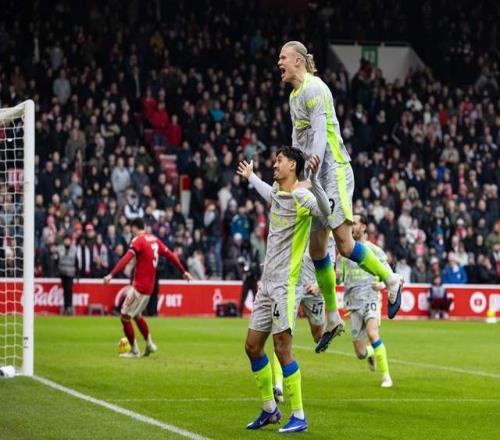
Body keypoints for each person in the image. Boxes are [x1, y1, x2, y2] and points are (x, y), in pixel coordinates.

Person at [278, 41, 403, 353]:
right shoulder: (294, 96)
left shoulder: (315, 88)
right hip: (313, 175)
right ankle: (333, 317)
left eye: (282, 57)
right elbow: (297, 141)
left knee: (345, 245)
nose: (279, 63)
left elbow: (320, 134)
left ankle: (390, 279)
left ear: (297, 60)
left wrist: (310, 176)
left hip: (332, 171)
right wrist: (293, 175)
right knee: (318, 249)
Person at [237, 147, 331, 433]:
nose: (274, 164)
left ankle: (299, 416)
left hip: (284, 286)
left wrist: (315, 182)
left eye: (279, 160)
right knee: (252, 347)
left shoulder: (303, 198)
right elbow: (268, 192)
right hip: (266, 284)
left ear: (292, 165)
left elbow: (326, 213)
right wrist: (251, 177)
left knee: (282, 349)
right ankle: (269, 410)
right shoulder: (279, 193)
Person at [103, 218, 193, 357]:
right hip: (149, 288)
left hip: (139, 287)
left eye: (131, 229)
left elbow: (126, 258)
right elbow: (170, 255)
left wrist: (111, 274)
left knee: (124, 317)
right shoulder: (154, 240)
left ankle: (134, 351)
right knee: (137, 315)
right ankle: (149, 344)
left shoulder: (138, 240)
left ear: (134, 228)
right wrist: (183, 271)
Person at [337, 213, 393, 388]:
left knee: (372, 332)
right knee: (360, 353)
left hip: (371, 298)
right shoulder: (343, 254)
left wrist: (381, 285)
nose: (351, 227)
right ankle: (371, 353)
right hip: (353, 304)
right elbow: (339, 279)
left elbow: (389, 275)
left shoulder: (374, 250)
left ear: (363, 227)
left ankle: (386, 377)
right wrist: (335, 276)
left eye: (354, 223)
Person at [58, 235, 77, 315]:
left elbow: (73, 260)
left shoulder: (73, 249)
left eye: (68, 240)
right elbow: (60, 259)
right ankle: (66, 307)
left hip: (70, 273)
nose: (67, 241)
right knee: (65, 290)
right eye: (66, 240)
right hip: (62, 272)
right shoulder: (60, 248)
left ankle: (69, 307)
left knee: (69, 290)